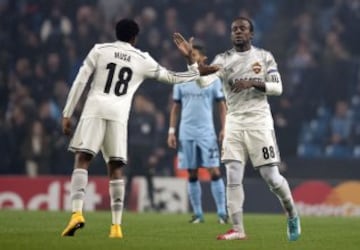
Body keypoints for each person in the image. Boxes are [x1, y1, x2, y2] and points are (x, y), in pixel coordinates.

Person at [60, 18, 217, 239]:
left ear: (116, 33)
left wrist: (67, 113)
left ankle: (76, 212)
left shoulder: (100, 50)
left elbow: (80, 80)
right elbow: (174, 78)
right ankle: (116, 227)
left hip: (94, 110)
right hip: (118, 116)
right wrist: (191, 63)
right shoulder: (142, 59)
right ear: (135, 38)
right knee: (115, 168)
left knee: (83, 159)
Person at [173, 16, 301, 241]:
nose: (238, 32)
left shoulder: (264, 57)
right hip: (234, 123)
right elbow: (203, 82)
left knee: (271, 177)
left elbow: (277, 87)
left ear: (251, 34)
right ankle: (238, 229)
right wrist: (190, 61)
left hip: (259, 123)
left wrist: (253, 83)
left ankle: (291, 212)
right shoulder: (222, 60)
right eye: (234, 29)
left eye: (243, 29)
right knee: (232, 175)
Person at [167, 44, 228, 224]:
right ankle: (198, 214)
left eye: (194, 54)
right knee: (191, 173)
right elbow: (175, 108)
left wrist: (225, 128)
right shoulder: (181, 79)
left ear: (203, 59)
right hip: (186, 133)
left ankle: (222, 213)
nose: (191, 57)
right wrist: (172, 131)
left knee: (214, 171)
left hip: (206, 133)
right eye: (189, 54)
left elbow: (221, 105)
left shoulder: (212, 80)